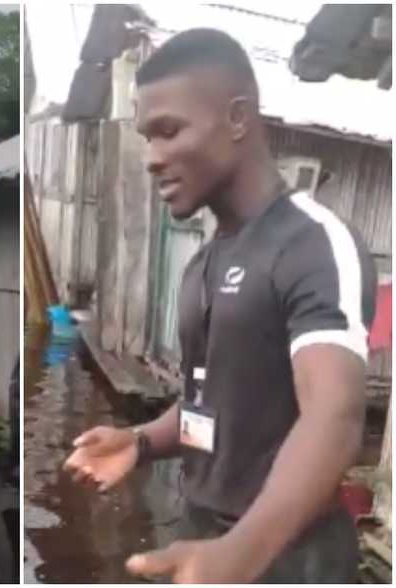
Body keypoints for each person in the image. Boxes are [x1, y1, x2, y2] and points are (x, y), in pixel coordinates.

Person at [63, 29, 375, 583]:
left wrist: (241, 553)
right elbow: (207, 410)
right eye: (147, 139)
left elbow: (336, 415)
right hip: (205, 538)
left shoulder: (313, 243)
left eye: (169, 132)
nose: (153, 159)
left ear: (237, 118)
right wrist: (139, 442)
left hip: (291, 559)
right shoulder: (201, 266)